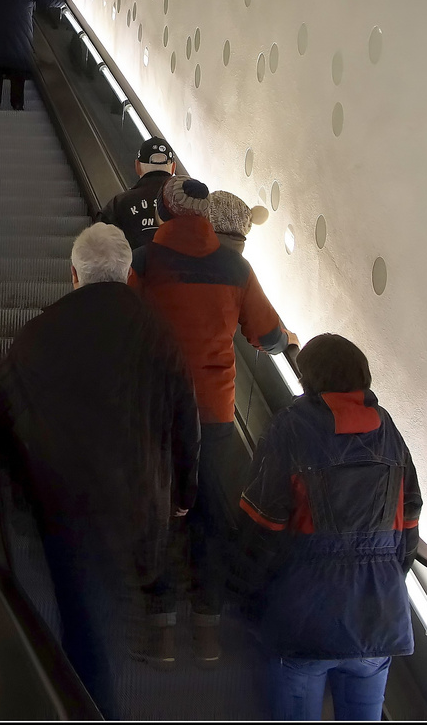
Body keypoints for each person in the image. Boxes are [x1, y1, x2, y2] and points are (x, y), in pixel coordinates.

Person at [0, 223, 200, 720]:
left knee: (84, 618)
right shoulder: (157, 329)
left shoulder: (43, 329)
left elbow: (0, 405)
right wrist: (184, 489)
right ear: (126, 274)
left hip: (68, 502)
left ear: (74, 274)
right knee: (117, 591)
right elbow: (183, 416)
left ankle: (87, 700)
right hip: (140, 499)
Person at [128, 176, 296, 667]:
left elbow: (120, 316)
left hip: (155, 408)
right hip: (215, 413)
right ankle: (207, 632)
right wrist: (287, 338)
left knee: (156, 509)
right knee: (210, 515)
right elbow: (268, 337)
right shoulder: (235, 267)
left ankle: (159, 630)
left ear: (163, 212)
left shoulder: (143, 261)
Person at [235, 334, 420, 721]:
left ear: (308, 379)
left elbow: (262, 527)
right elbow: (411, 518)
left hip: (304, 620)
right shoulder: (389, 431)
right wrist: (384, 577)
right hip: (378, 619)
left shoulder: (289, 429)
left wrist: (245, 598)